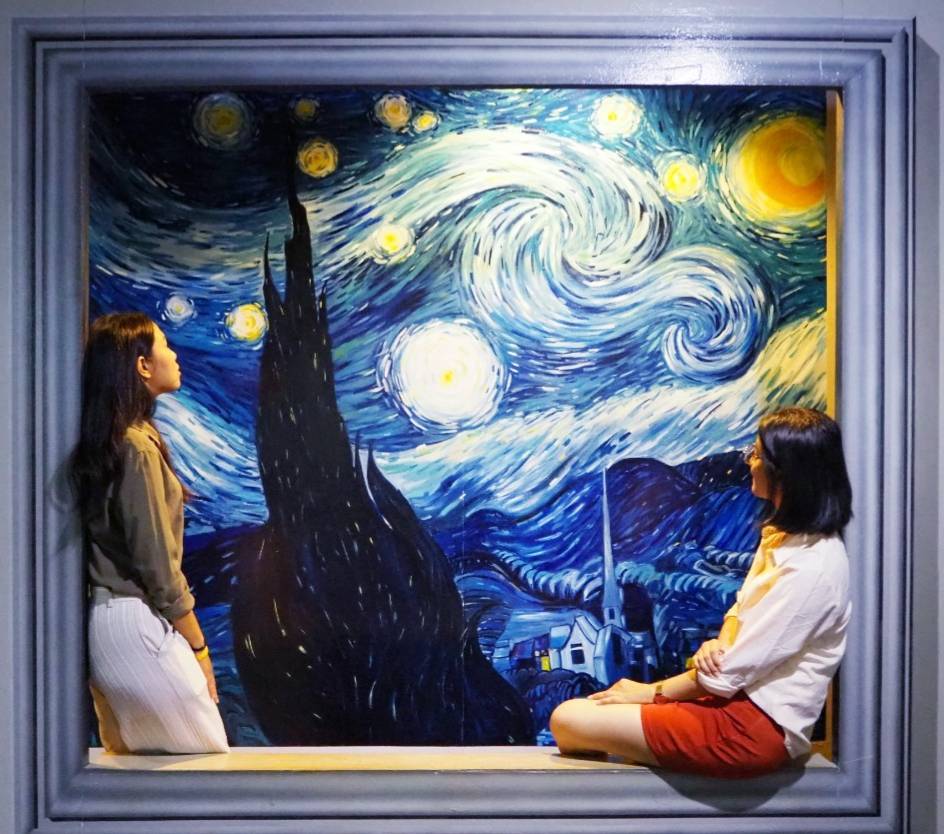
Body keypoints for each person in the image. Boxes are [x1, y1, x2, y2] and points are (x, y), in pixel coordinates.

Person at [549, 406, 852, 778]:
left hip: (750, 729)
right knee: (589, 716)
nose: (748, 461)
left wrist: (649, 692)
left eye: (757, 454)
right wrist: (719, 645)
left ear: (786, 472)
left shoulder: (812, 567)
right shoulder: (782, 539)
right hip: (732, 702)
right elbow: (740, 612)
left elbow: (728, 675)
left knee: (567, 718)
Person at [71, 311, 229, 754]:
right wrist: (199, 649)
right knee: (201, 760)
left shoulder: (127, 439)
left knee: (146, 768)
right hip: (134, 621)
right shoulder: (136, 448)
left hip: (119, 620)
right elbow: (159, 569)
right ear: (142, 365)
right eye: (165, 344)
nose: (175, 355)